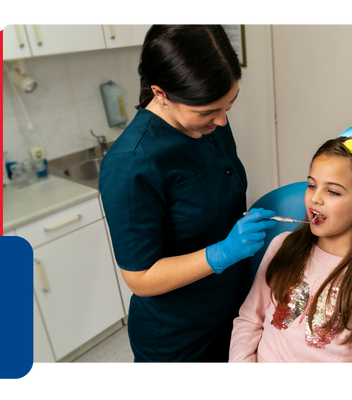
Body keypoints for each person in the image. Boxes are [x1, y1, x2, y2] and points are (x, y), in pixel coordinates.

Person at [99, 21, 276, 365]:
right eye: (208, 111)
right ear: (161, 92)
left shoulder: (210, 123)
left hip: (231, 310)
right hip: (179, 338)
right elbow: (141, 278)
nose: (222, 122)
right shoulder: (131, 164)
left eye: (229, 104)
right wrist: (223, 252)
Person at [229, 136, 352, 364]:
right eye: (312, 185)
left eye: (332, 192)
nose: (315, 198)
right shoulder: (282, 246)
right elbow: (248, 321)